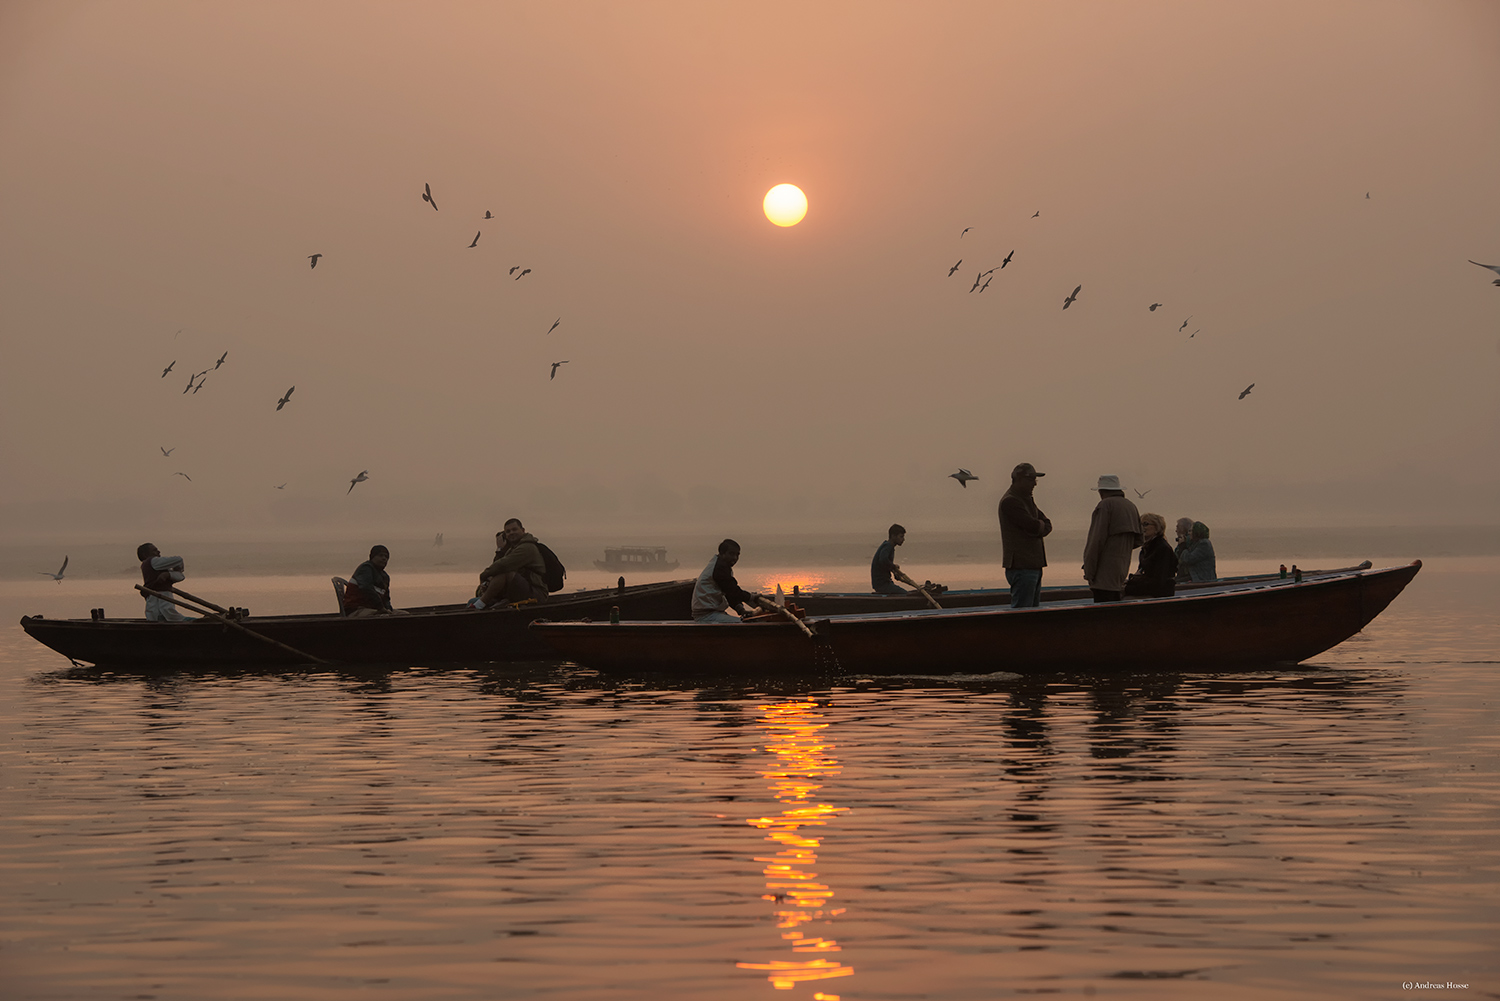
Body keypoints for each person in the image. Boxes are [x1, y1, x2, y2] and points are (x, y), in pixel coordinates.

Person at [999, 462, 1052, 608]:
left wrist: (1039, 526)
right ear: (1019, 480)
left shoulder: (1026, 501)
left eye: (1035, 480)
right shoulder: (1010, 502)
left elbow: (1047, 524)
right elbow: (1033, 526)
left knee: (1032, 615)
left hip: (1033, 566)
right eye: (1031, 480)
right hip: (1021, 567)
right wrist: (1039, 526)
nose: (1035, 484)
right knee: (1022, 615)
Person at [1082, 474, 1142, 602]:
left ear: (1101, 491)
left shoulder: (1105, 506)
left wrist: (1089, 571)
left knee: (1102, 614)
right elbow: (1139, 540)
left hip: (1102, 576)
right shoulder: (1131, 506)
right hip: (1121, 571)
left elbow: (1096, 541)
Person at [469, 518, 548, 609]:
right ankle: (479, 603)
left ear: (522, 530)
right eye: (508, 531)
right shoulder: (512, 549)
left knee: (505, 573)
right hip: (517, 591)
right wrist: (500, 550)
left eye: (514, 529)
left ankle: (479, 605)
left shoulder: (527, 548)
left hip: (536, 593)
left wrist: (484, 574)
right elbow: (497, 567)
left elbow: (503, 565)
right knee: (473, 600)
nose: (511, 533)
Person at [691, 539, 760, 623]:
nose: (735, 558)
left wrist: (741, 610)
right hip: (706, 616)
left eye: (737, 555)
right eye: (731, 554)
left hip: (713, 614)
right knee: (744, 624)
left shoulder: (720, 565)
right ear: (722, 553)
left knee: (746, 620)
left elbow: (729, 594)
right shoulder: (719, 568)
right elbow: (733, 591)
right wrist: (751, 597)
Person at [344, 545, 408, 617]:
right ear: (372, 557)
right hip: (357, 609)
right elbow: (367, 588)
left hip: (374, 609)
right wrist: (381, 608)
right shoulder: (365, 569)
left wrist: (388, 609)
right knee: (383, 616)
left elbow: (386, 598)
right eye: (380, 555)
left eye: (386, 557)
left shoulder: (385, 576)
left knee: (404, 615)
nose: (384, 558)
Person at [1126, 512, 1179, 597]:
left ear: (1157, 527)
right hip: (1147, 592)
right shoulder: (1146, 548)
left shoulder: (1162, 548)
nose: (1142, 528)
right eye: (1140, 524)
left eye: (1145, 524)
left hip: (1158, 596)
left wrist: (1129, 588)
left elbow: (1158, 581)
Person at [137, 543, 193, 621]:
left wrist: (168, 574)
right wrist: (178, 569)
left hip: (161, 604)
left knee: (161, 616)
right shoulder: (153, 561)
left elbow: (180, 576)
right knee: (167, 615)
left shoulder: (158, 568)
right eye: (154, 550)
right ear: (145, 554)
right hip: (160, 604)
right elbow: (179, 560)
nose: (158, 552)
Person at [870, 523, 908, 595]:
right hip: (882, 584)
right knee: (904, 594)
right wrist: (893, 566)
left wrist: (895, 572)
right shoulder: (888, 546)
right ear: (893, 536)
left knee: (903, 592)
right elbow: (883, 559)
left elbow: (885, 564)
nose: (903, 539)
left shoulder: (889, 547)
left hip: (885, 583)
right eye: (901, 537)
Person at [1173, 517, 1195, 581]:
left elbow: (1183, 559)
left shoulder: (1188, 542)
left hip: (1188, 575)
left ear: (1183, 529)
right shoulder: (1182, 542)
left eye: (1178, 527)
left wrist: (1182, 545)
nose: (1176, 530)